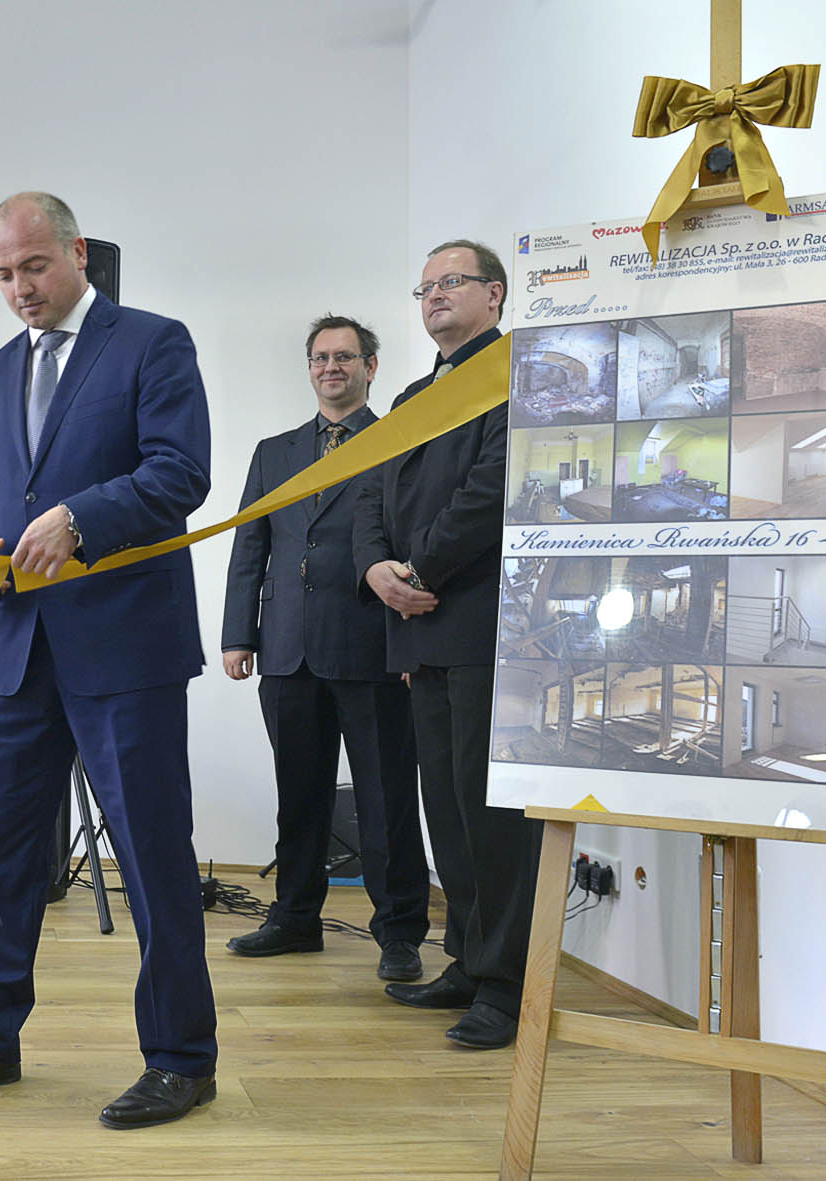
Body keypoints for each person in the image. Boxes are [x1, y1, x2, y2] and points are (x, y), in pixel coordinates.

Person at [0, 192, 217, 1129]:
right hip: (18, 650)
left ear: (76, 252)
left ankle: (181, 1058)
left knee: (151, 855)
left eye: (33, 266)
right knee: (3, 853)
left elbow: (179, 473)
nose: (19, 288)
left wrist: (81, 518)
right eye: (2, 274)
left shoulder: (153, 342)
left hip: (126, 647)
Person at [351, 240, 542, 1050]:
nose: (433, 295)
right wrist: (376, 571)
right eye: (424, 286)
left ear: (494, 294)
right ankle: (467, 958)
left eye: (451, 282)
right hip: (417, 629)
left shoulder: (518, 378)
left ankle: (507, 985)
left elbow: (492, 489)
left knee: (491, 814)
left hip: (485, 625)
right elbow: (369, 491)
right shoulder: (410, 397)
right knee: (448, 810)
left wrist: (418, 568)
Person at [221, 314, 430, 982]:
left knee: (386, 798)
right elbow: (250, 545)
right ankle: (294, 918)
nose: (330, 367)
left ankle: (399, 932)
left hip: (373, 648)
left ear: (371, 367)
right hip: (287, 649)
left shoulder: (399, 442)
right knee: (298, 795)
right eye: (320, 357)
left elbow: (412, 542)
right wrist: (238, 634)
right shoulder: (273, 453)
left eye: (344, 356)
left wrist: (411, 645)